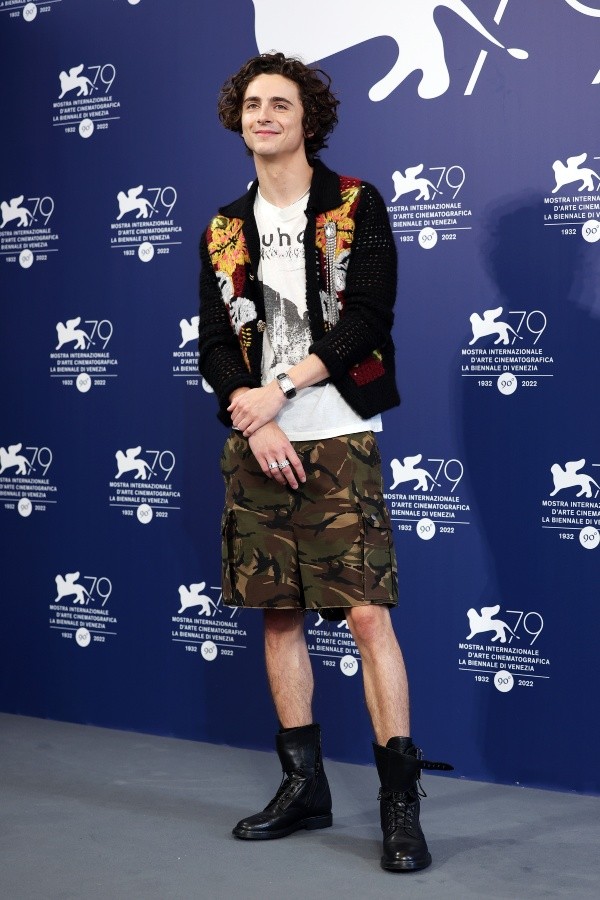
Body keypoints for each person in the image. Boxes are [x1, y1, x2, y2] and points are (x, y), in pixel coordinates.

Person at [198, 52, 451, 873]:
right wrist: (252, 414)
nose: (264, 115)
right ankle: (304, 788)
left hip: (338, 431)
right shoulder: (223, 228)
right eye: (253, 105)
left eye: (281, 104)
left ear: (309, 120)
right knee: (279, 614)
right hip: (256, 440)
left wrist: (281, 391)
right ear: (240, 121)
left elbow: (370, 315)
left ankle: (399, 806)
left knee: (369, 615)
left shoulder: (353, 203)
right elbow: (213, 343)